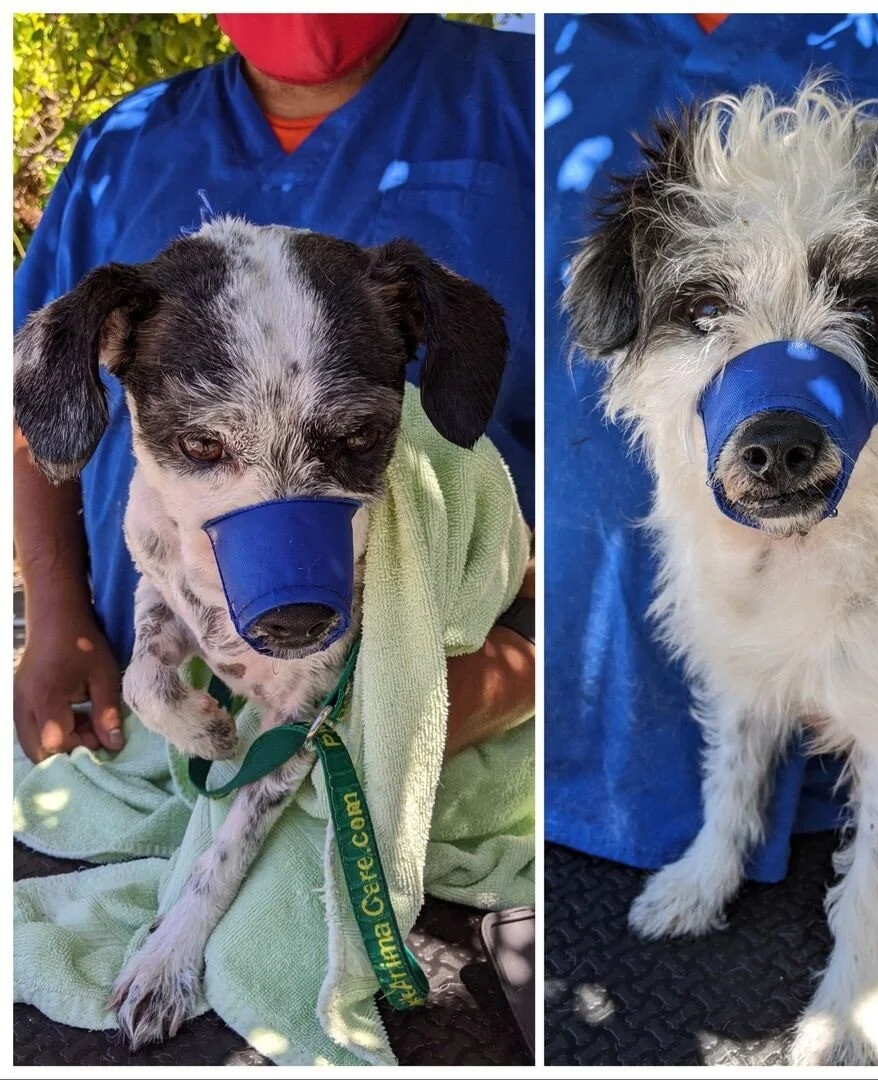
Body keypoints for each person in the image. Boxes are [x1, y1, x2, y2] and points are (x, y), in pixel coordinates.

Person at [544, 13, 878, 880]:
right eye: (708, 309)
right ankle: (722, 844)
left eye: (867, 315)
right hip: (572, 785)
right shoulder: (543, 47)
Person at [14, 13, 535, 765]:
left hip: (446, 690)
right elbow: (39, 402)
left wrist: (526, 653)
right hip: (144, 694)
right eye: (204, 444)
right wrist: (58, 616)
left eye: (355, 436)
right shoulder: (118, 145)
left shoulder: (532, 92)